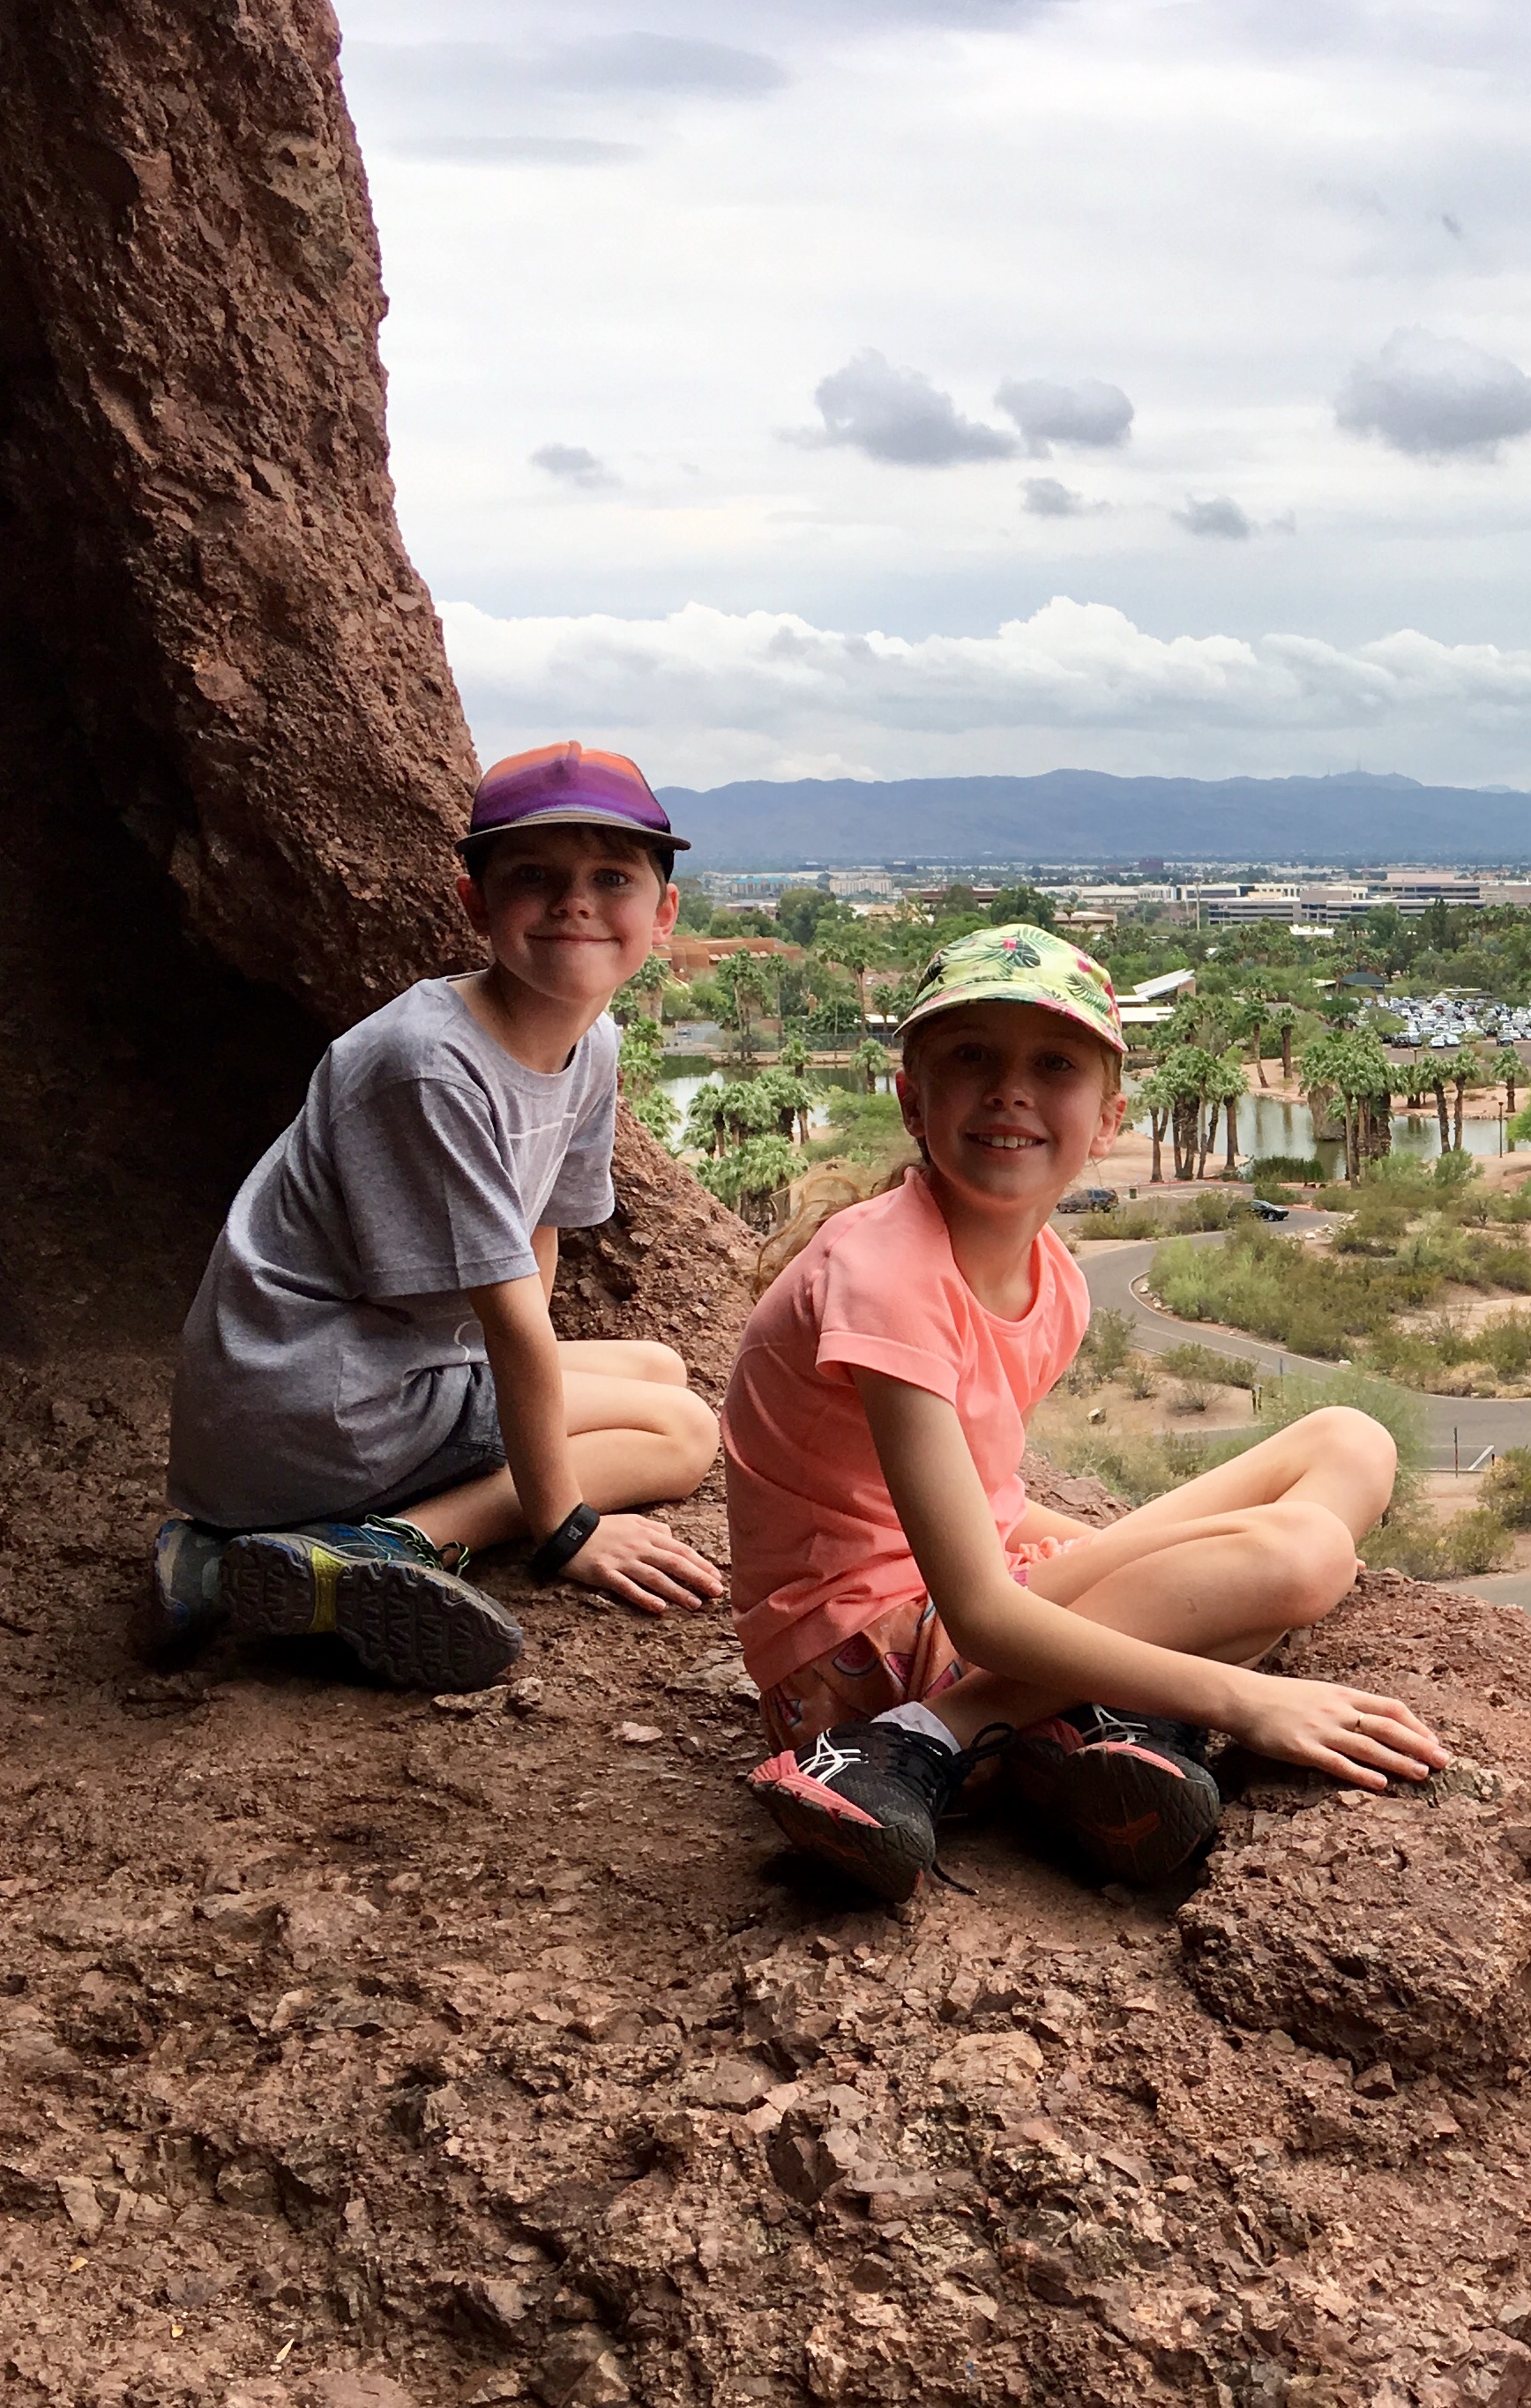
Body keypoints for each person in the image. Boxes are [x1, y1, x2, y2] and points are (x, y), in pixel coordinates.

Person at [724, 923, 1442, 1903]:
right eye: (970, 1056)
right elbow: (983, 1613)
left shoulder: (1048, 1277)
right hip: (855, 1661)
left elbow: (989, 1503)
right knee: (1305, 1554)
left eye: (1053, 1064)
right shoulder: (884, 1274)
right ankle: (916, 1745)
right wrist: (1247, 1698)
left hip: (953, 1611)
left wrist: (1152, 1578)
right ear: (912, 1098)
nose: (1009, 1090)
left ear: (1107, 1118)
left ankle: (1061, 1733)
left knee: (1348, 1439)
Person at [149, 742, 724, 1689]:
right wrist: (565, 1524)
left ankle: (228, 1552)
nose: (574, 902)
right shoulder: (428, 1064)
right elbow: (510, 1321)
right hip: (314, 1401)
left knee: (657, 1365)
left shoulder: (590, 1043)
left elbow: (538, 1236)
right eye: (532, 876)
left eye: (610, 877)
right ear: (474, 904)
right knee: (682, 1431)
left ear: (662, 913)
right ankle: (386, 1543)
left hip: (342, 1381)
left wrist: (513, 1395)